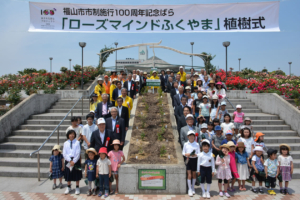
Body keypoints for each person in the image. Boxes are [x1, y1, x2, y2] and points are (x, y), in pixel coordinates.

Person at [182, 130, 201, 197]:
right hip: (188, 160)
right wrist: (187, 154)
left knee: (194, 174)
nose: (191, 137)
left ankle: (193, 188)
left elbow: (199, 154)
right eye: (190, 136)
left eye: (193, 135)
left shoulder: (197, 144)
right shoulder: (186, 144)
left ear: (194, 136)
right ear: (188, 137)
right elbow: (183, 153)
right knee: (189, 174)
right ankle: (189, 189)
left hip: (195, 160)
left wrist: (195, 155)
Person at [63, 130, 82, 195]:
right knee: (68, 173)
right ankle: (68, 187)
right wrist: (70, 160)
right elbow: (64, 153)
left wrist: (74, 161)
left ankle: (77, 187)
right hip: (68, 160)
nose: (72, 135)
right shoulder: (65, 143)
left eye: (73, 134)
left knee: (76, 174)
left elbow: (78, 152)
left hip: (75, 160)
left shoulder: (77, 142)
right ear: (68, 135)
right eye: (70, 134)